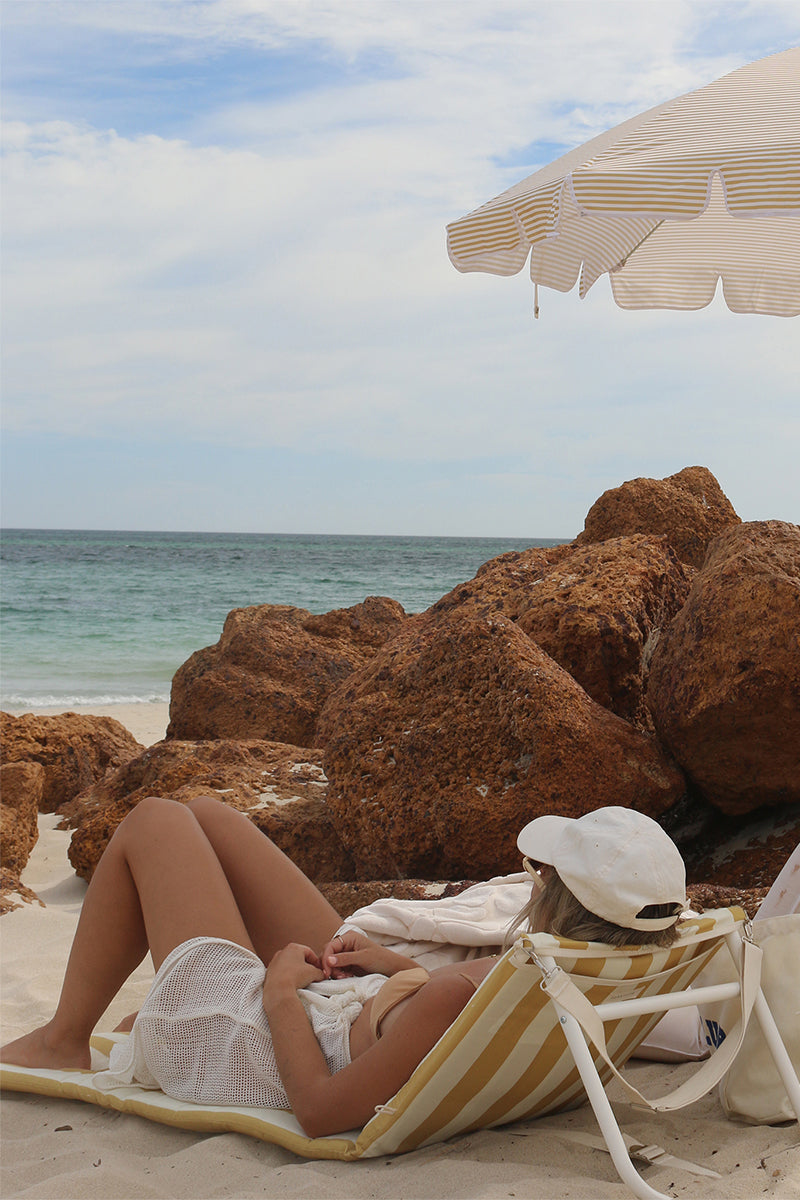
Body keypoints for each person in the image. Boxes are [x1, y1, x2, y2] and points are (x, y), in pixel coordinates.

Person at [0, 798, 686, 1138]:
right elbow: (427, 1028)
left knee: (155, 821)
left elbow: (323, 1113)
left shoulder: (465, 990)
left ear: (553, 896)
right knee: (207, 815)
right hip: (346, 1005)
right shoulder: (589, 968)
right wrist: (391, 973)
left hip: (249, 1045)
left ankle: (63, 1040)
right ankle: (144, 1009)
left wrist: (275, 992)